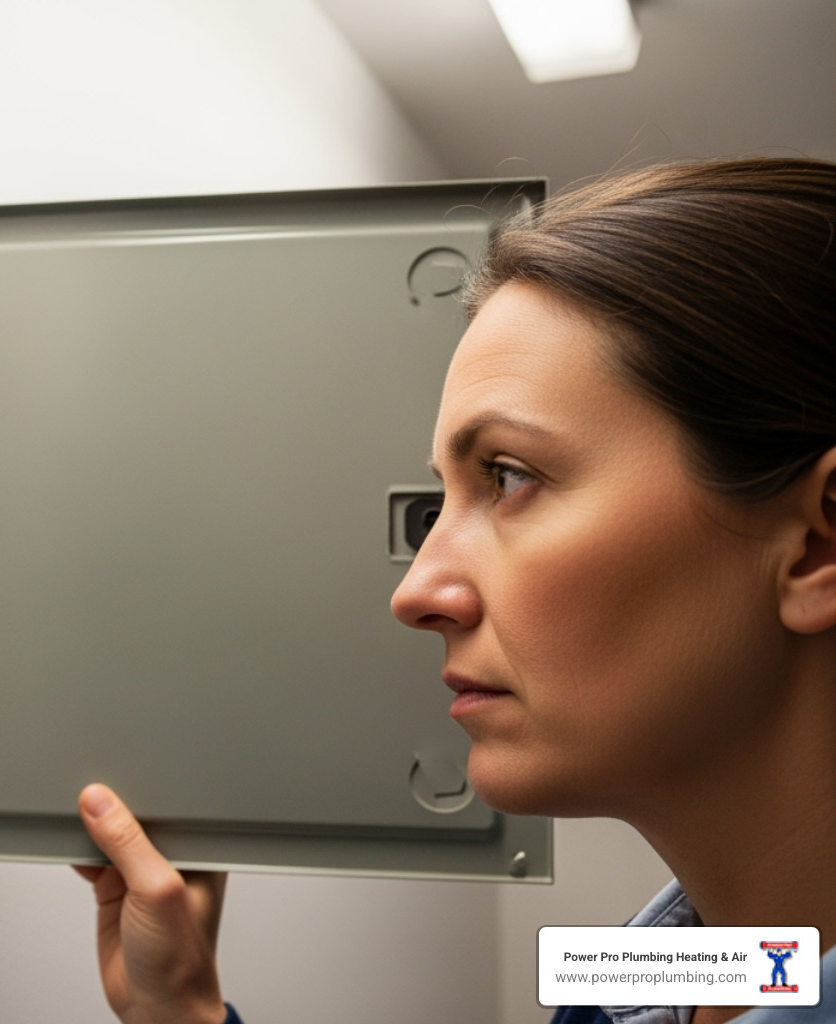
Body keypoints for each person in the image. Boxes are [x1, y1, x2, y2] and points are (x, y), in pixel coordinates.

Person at [72, 158, 836, 1024]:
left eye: (509, 478)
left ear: (818, 543)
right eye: (443, 499)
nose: (416, 592)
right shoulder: (658, 982)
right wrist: (183, 1011)